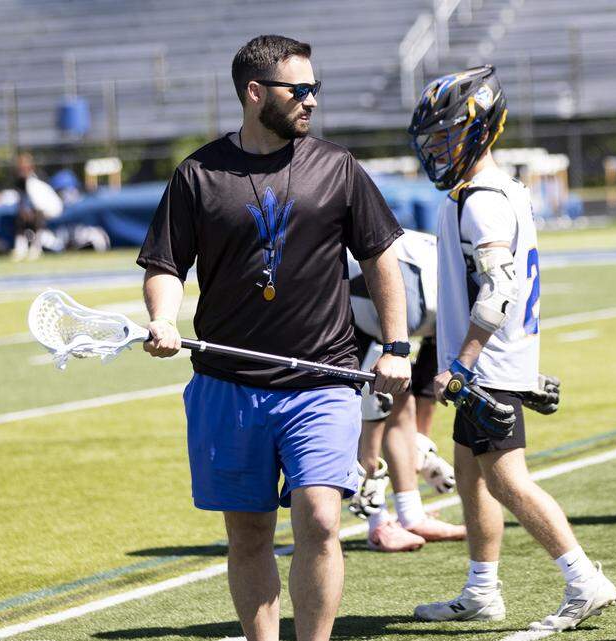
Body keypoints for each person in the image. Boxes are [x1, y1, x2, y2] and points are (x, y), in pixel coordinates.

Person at [137, 35, 411, 641]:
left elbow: (380, 256)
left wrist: (395, 346)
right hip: (228, 385)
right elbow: (166, 266)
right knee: (250, 532)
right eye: (300, 90)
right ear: (255, 93)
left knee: (318, 516)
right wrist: (163, 319)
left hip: (324, 378)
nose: (312, 100)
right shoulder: (198, 174)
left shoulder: (337, 166)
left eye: (316, 88)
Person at [407, 65, 616, 632]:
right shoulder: (496, 192)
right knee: (469, 473)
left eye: (447, 134)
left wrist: (461, 364)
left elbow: (499, 289)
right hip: (496, 360)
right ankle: (481, 590)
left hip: (487, 364)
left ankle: (583, 580)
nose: (438, 147)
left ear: (478, 128)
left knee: (506, 479)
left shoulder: (481, 199)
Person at [344, 228, 466, 552]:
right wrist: (371, 463)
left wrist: (420, 448)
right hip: (357, 308)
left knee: (405, 405)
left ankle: (411, 515)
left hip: (388, 309)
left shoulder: (451, 299)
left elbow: (428, 383)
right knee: (375, 406)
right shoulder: (423, 296)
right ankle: (377, 520)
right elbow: (374, 401)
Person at [11, 152, 63, 261]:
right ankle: (21, 248)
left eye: (24, 168)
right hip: (38, 210)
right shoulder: (20, 183)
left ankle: (36, 248)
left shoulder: (33, 183)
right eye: (20, 168)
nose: (21, 171)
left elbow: (39, 208)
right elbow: (22, 204)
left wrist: (28, 213)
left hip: (52, 209)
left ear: (30, 168)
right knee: (21, 217)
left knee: (35, 217)